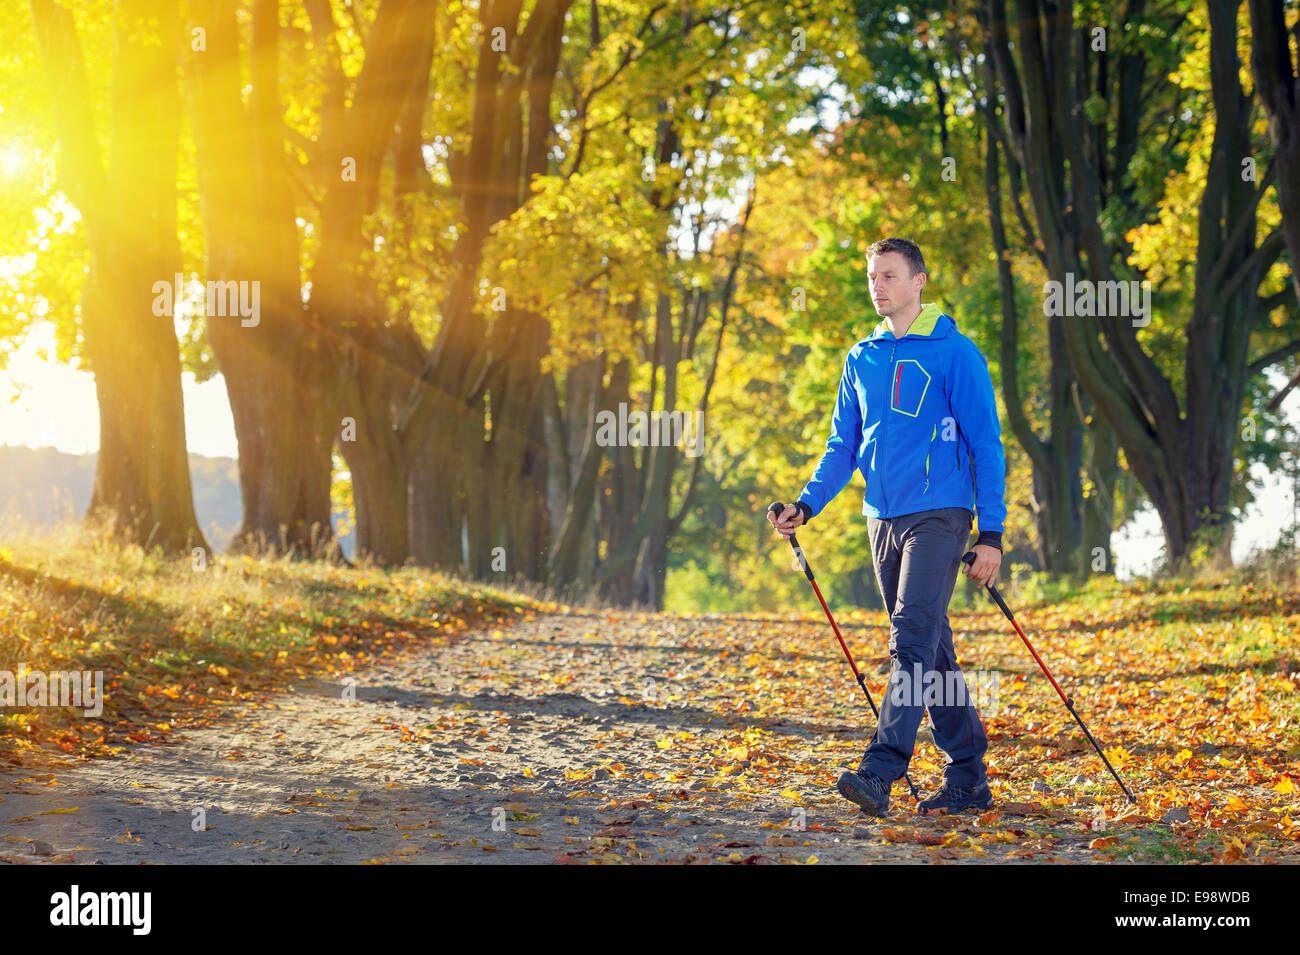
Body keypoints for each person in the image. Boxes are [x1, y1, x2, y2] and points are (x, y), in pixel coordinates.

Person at [768, 236, 1007, 816]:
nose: (879, 285)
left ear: (919, 280)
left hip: (941, 513)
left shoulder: (955, 353)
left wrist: (991, 535)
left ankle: (881, 768)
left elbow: (986, 444)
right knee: (930, 648)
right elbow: (841, 446)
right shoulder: (861, 357)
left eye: (891, 276)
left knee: (908, 639)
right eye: (873, 276)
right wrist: (806, 504)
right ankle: (969, 777)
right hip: (882, 517)